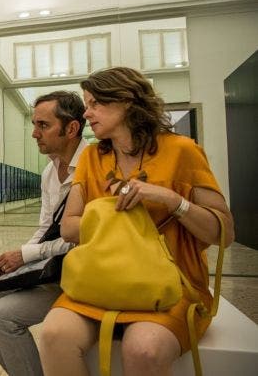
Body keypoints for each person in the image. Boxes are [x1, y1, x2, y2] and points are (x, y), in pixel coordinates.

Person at [40, 67, 234, 376]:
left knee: (143, 348)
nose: (87, 113)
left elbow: (223, 233)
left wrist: (172, 201)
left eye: (95, 103)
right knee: (53, 336)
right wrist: (112, 213)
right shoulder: (92, 157)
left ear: (127, 101)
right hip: (101, 280)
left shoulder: (183, 151)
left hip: (171, 285)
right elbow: (69, 227)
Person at [0, 91, 88, 376]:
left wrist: (24, 255)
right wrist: (14, 260)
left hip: (78, 274)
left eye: (43, 125)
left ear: (71, 128)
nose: (35, 133)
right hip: (52, 268)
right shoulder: (49, 172)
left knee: (2, 315)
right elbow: (45, 231)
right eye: (34, 124)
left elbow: (79, 239)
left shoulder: (91, 167)